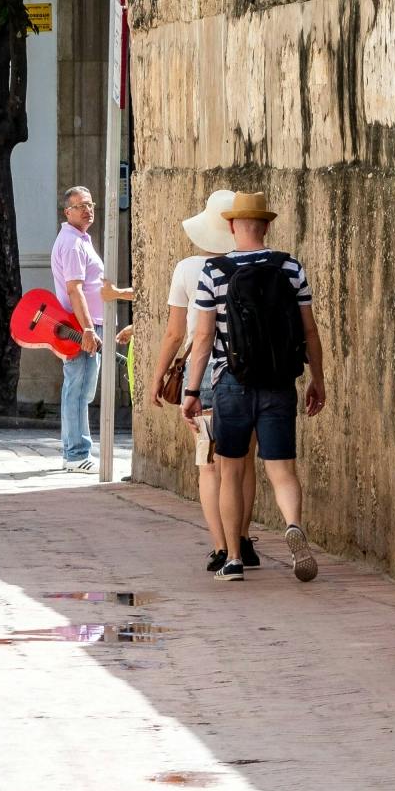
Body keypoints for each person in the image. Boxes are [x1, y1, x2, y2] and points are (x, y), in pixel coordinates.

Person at [182, 191, 326, 583]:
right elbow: (310, 331)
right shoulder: (290, 267)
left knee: (230, 470)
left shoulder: (214, 272)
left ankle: (232, 558)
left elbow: (203, 338)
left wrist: (192, 392)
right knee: (282, 470)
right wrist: (317, 379)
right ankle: (292, 524)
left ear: (232, 226)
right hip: (279, 382)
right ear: (266, 226)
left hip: (231, 382)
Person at [150, 188, 257, 574]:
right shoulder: (257, 265)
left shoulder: (187, 269)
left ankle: (220, 547)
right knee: (244, 463)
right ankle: (243, 541)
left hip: (205, 373)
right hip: (249, 371)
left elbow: (175, 333)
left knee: (209, 464)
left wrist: (158, 376)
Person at [49, 185, 132, 469]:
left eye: (90, 204)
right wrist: (87, 329)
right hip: (82, 327)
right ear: (67, 211)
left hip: (90, 325)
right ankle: (76, 454)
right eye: (80, 206)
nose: (88, 210)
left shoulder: (80, 239)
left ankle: (74, 452)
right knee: (78, 389)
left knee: (81, 390)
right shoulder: (72, 243)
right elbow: (75, 289)